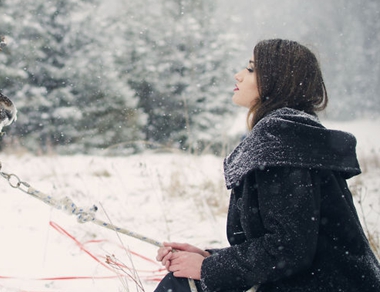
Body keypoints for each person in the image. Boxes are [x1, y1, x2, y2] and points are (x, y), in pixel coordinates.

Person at [153, 39, 380, 292]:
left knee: (180, 286)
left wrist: (208, 269)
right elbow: (292, 243)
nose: (238, 76)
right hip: (338, 282)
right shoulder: (293, 133)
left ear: (277, 80)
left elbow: (289, 247)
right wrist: (210, 259)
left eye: (251, 69)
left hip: (327, 285)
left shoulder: (282, 138)